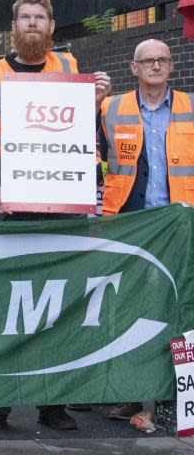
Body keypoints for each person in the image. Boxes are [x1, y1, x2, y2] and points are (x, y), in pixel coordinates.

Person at [0, 0, 111, 432]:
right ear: (13, 27)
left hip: (64, 207)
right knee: (9, 309)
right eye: (25, 17)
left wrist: (96, 102)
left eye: (40, 18)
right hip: (14, 209)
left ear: (52, 27)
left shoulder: (71, 70)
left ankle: (53, 404)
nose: (32, 24)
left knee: (61, 307)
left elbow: (88, 136)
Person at [99, 39, 190, 421]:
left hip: (180, 224)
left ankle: (175, 395)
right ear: (133, 68)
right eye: (147, 61)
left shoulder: (190, 107)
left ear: (171, 66)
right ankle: (133, 394)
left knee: (180, 308)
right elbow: (91, 156)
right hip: (129, 222)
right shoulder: (108, 108)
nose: (155, 66)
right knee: (129, 309)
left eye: (162, 60)